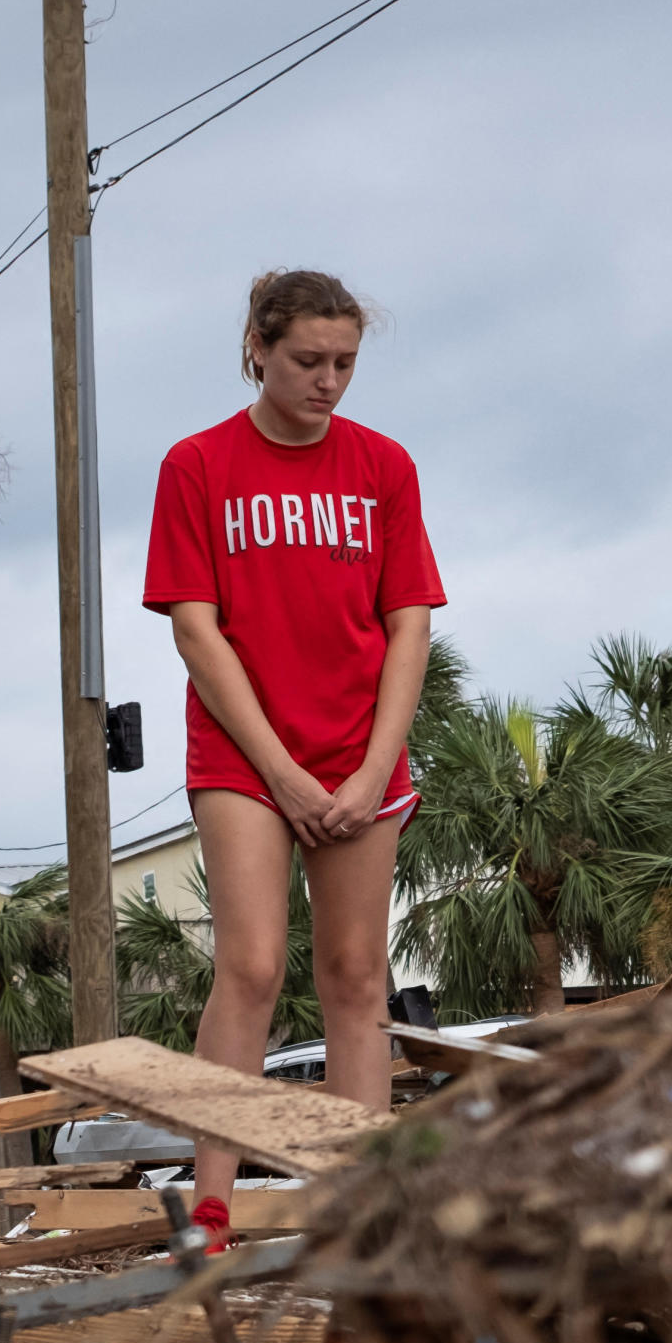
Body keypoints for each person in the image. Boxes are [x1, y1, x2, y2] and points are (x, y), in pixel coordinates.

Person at [141, 268, 443, 1253]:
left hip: (362, 754)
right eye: (308, 360)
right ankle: (213, 1203)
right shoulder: (197, 466)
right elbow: (196, 631)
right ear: (259, 348)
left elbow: (408, 627)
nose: (328, 381)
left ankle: (354, 1202)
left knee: (357, 974)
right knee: (255, 965)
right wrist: (283, 775)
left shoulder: (384, 467)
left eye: (345, 362)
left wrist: (368, 772)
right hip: (245, 756)